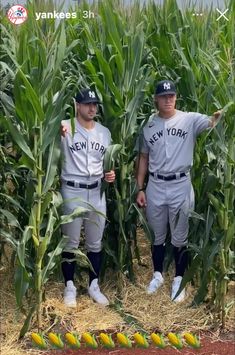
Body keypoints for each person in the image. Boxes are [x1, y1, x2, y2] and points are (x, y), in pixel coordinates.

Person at [136, 80, 221, 302]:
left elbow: (212, 122)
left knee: (180, 235)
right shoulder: (148, 124)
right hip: (155, 185)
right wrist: (140, 188)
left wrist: (219, 114)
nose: (168, 99)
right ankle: (157, 275)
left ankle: (179, 280)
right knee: (157, 234)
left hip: (180, 184)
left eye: (171, 96)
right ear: (156, 99)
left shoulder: (189, 119)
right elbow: (143, 157)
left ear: (176, 98)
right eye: (164, 96)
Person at [60, 88, 115, 307]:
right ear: (77, 106)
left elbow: (107, 162)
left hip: (96, 190)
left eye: (95, 104)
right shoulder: (64, 127)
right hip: (72, 189)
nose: (92, 108)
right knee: (71, 242)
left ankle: (94, 285)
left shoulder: (104, 132)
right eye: (87, 104)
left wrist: (110, 174)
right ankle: (70, 286)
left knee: (95, 242)